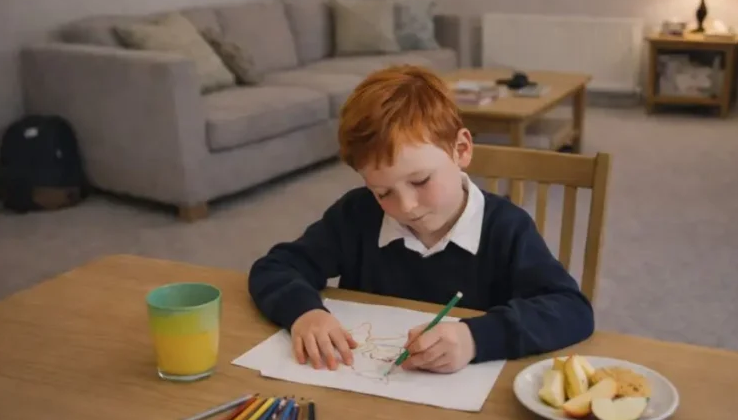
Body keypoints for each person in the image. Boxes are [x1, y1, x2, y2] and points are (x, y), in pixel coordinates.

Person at [247, 65, 595, 374]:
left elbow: (571, 310)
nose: (407, 206)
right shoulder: (357, 214)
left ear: (461, 150)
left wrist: (475, 338)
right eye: (383, 192)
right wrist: (304, 313)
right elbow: (275, 268)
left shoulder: (506, 228)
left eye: (420, 181)